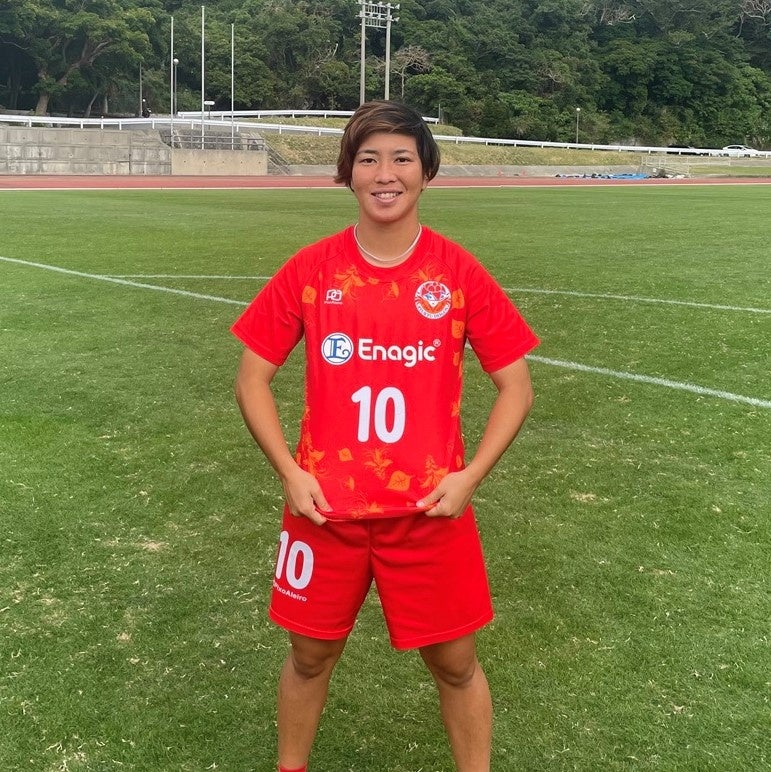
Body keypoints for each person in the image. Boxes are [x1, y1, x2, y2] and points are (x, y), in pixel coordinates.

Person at [232, 100, 539, 772]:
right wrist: (290, 472)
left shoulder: (457, 273)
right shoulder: (311, 269)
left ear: (426, 170)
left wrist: (469, 476)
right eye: (368, 158)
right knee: (308, 657)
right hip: (324, 511)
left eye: (401, 157)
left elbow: (516, 387)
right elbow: (251, 379)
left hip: (429, 513)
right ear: (348, 172)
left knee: (456, 665)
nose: (384, 173)